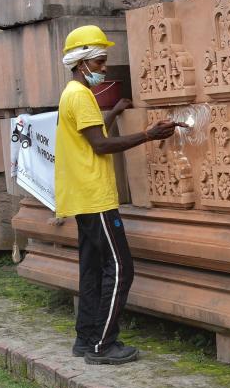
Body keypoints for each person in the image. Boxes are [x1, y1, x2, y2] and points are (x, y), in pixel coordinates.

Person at [50, 24, 180, 365]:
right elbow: (101, 145)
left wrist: (116, 110)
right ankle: (103, 345)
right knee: (121, 267)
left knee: (92, 269)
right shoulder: (80, 96)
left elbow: (92, 131)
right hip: (96, 197)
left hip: (82, 196)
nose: (104, 68)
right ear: (82, 63)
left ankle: (85, 339)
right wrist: (148, 135)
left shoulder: (72, 94)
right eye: (99, 62)